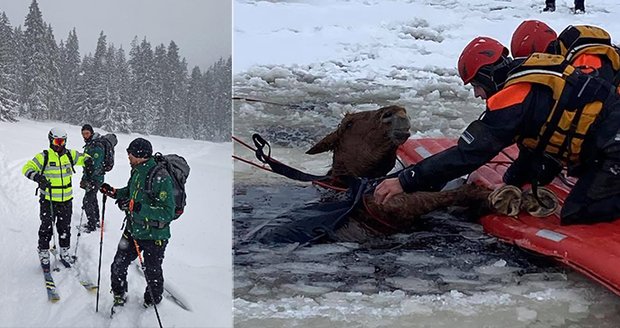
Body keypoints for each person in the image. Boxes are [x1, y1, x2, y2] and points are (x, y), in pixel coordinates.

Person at [374, 36, 620, 225]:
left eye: (477, 86)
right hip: (606, 139)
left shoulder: (512, 98)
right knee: (518, 177)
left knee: (577, 212)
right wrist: (514, 181)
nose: (477, 94)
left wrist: (406, 181)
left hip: (613, 144)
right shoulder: (527, 76)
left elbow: (467, 155)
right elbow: (539, 143)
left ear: (488, 76)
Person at [99, 138, 175, 308]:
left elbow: (167, 212)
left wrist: (138, 207)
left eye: (130, 153)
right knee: (118, 265)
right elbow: (130, 191)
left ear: (140, 155)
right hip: (133, 229)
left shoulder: (160, 177)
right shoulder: (137, 171)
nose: (128, 157)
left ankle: (152, 302)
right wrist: (114, 192)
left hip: (155, 235)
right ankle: (119, 295)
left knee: (152, 273)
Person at [22, 127, 92, 270]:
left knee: (64, 227)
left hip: (66, 200)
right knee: (46, 227)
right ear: (51, 140)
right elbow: (27, 168)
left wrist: (88, 162)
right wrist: (38, 177)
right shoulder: (44, 156)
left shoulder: (70, 155)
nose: (59, 144)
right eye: (56, 141)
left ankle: (64, 251)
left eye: (62, 141)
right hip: (48, 199)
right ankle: (43, 252)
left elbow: (85, 157)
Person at [79, 124, 105, 233]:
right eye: (83, 133)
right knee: (92, 198)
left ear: (91, 133)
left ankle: (91, 225)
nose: (85, 135)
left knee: (87, 201)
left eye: (87, 133)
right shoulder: (89, 144)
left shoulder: (96, 146)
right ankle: (96, 221)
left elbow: (94, 165)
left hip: (95, 178)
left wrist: (88, 179)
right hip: (91, 177)